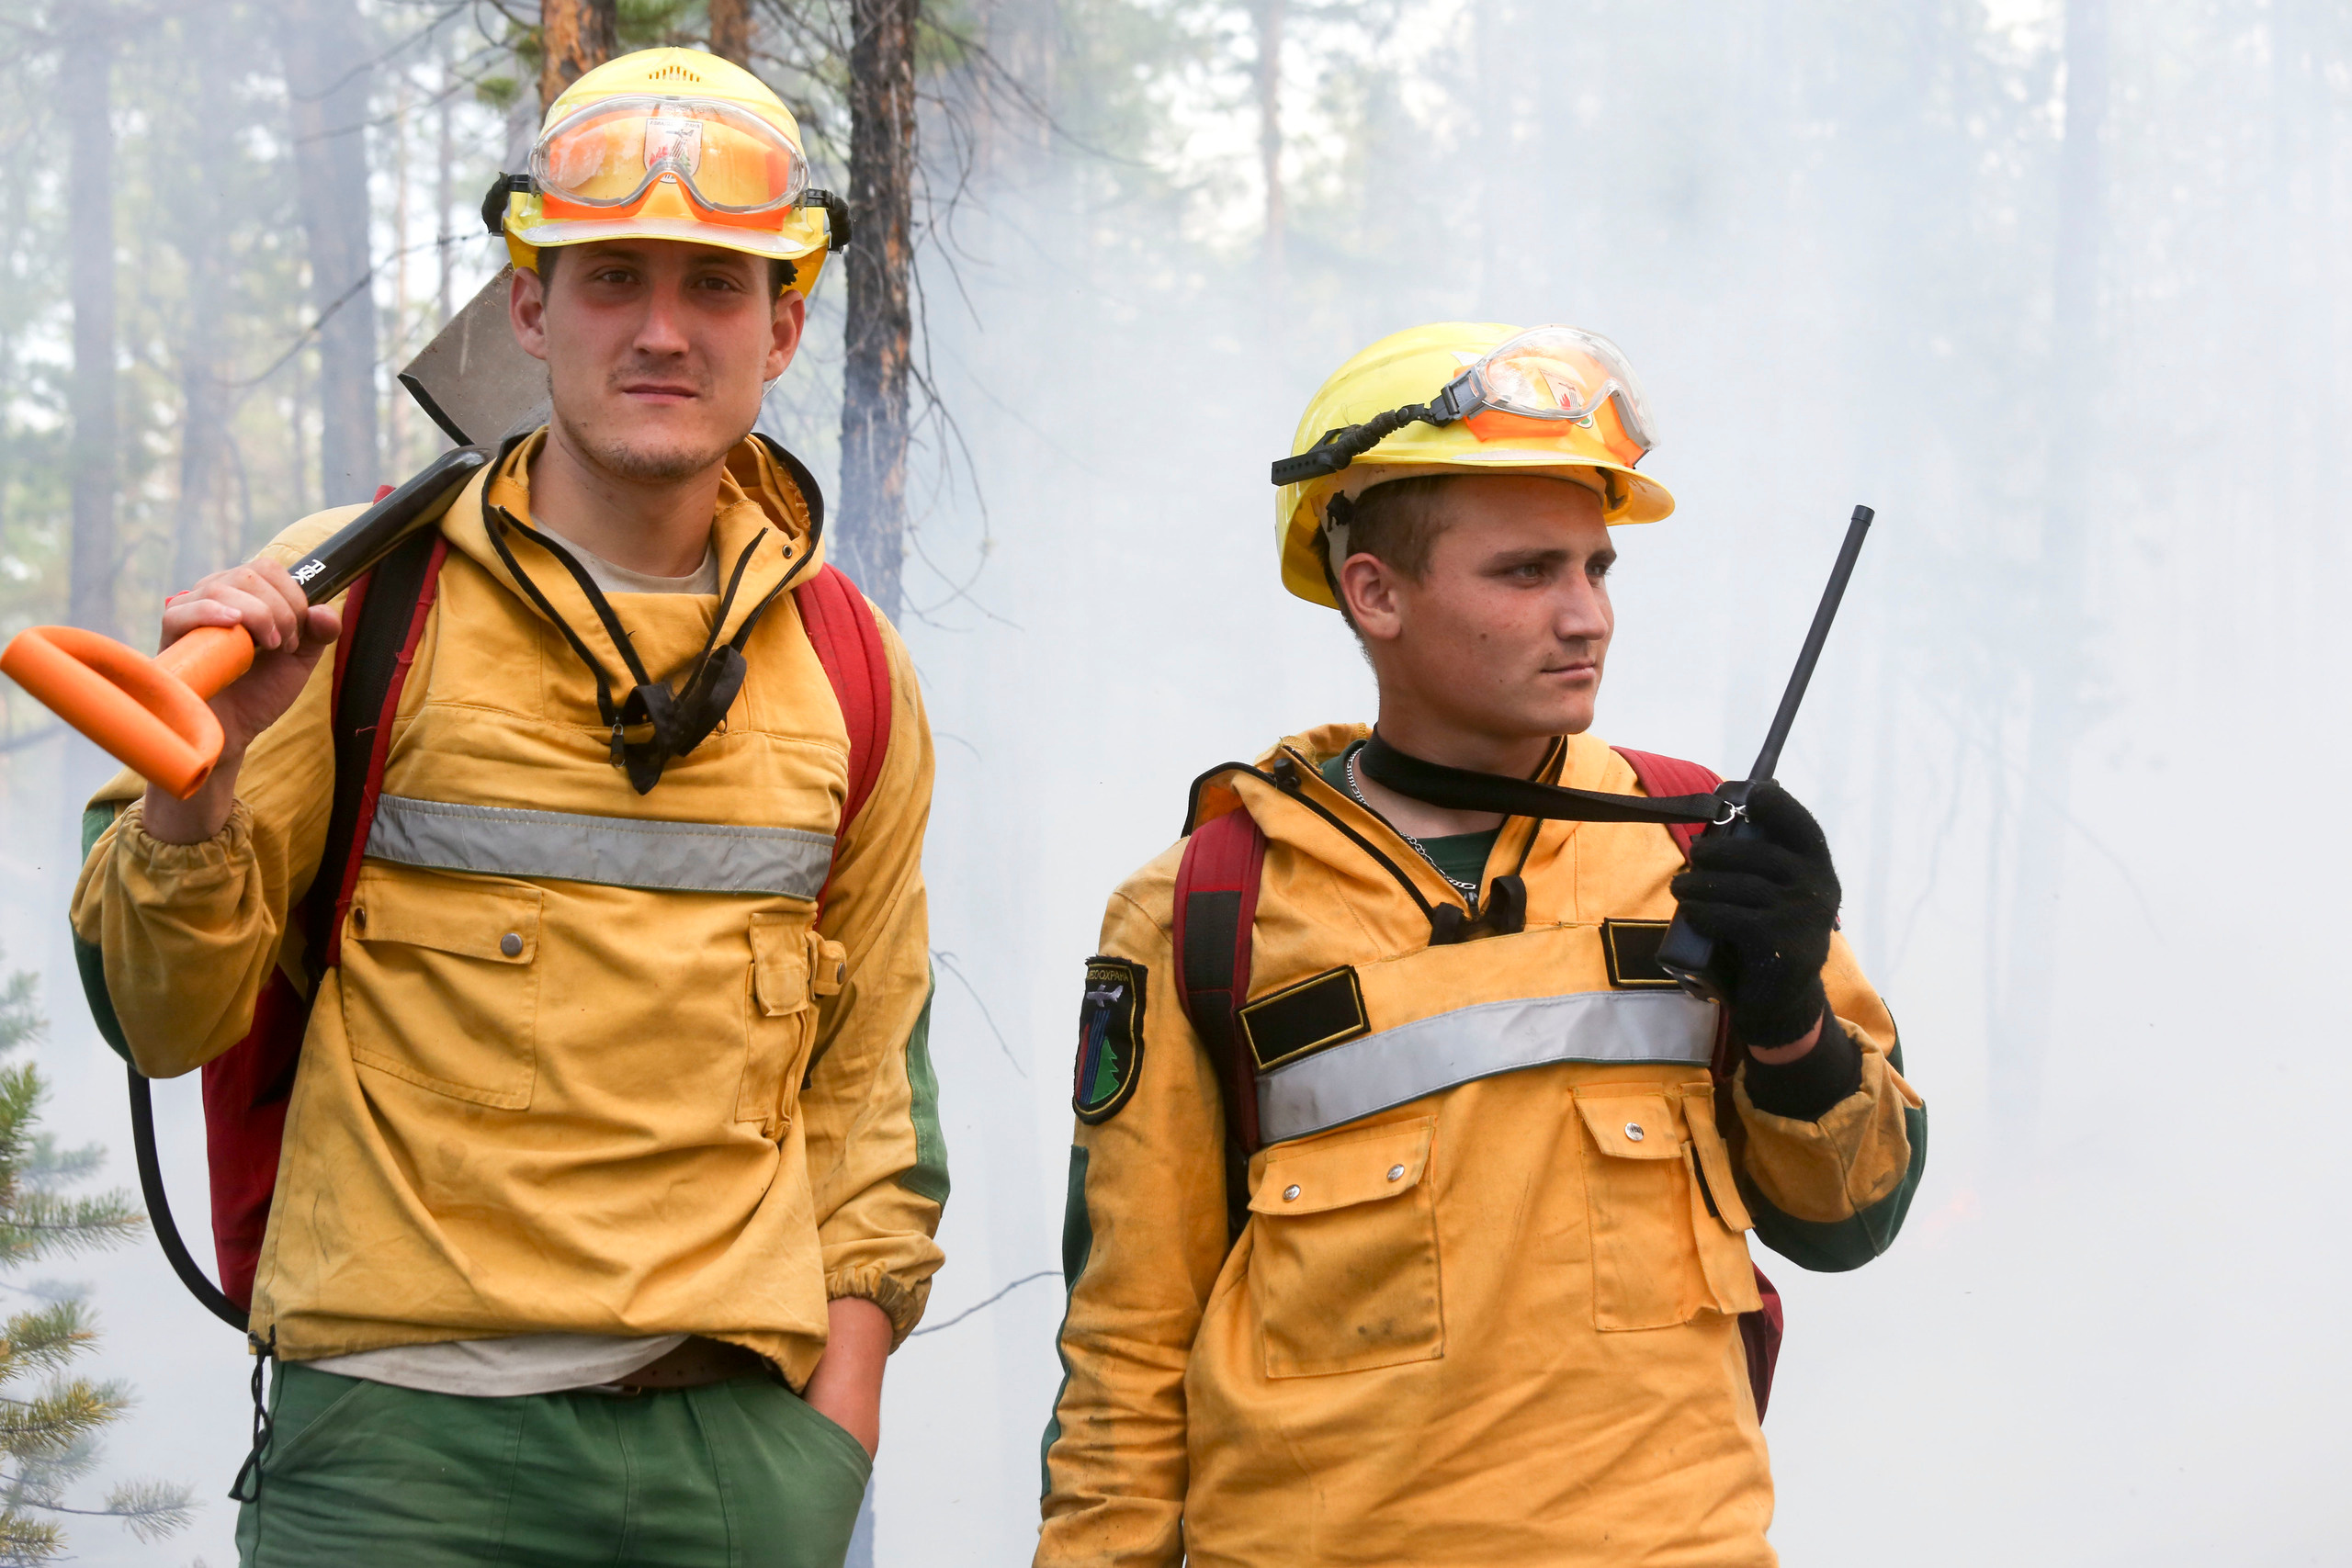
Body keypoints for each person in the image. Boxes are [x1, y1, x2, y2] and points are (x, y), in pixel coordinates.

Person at [69, 48, 945, 1568]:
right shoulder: (347, 601)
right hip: (404, 1465)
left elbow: (869, 1087)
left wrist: (834, 1428)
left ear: (785, 325)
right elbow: (158, 1024)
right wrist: (193, 805)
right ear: (530, 309)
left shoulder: (849, 667)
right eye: (610, 279)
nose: (663, 331)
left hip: (737, 1460)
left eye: (717, 287)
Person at [1035, 321, 1926, 1566]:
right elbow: (1126, 1353)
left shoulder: (1699, 855)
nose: (1586, 617)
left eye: (1597, 568)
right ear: (1376, 593)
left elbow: (1853, 1214)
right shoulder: (1209, 907)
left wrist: (1785, 1010)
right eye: (1526, 573)